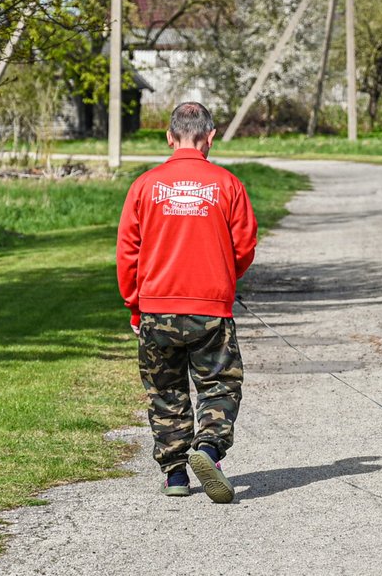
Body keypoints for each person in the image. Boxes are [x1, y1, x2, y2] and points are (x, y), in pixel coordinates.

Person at [116, 102, 258, 503]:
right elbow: (244, 245)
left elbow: (129, 251)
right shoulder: (227, 185)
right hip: (210, 309)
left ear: (169, 137)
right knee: (219, 384)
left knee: (165, 391)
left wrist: (134, 304)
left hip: (156, 308)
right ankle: (208, 450)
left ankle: (176, 473)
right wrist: (223, 278)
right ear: (210, 137)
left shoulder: (145, 185)